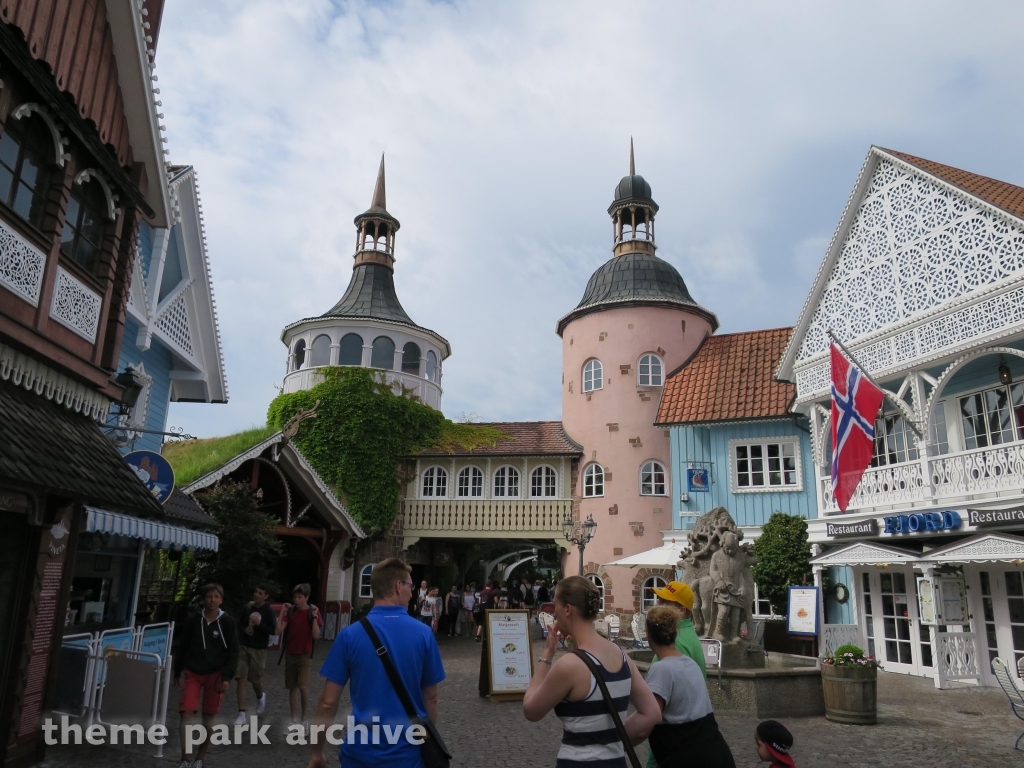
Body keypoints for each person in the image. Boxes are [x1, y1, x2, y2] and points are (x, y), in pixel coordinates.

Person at [308, 558, 445, 768]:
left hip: (359, 754)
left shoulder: (349, 635)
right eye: (410, 586)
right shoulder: (424, 634)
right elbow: (431, 698)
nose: (411, 591)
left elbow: (327, 702)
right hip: (407, 756)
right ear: (398, 587)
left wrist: (317, 753)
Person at [523, 575, 660, 766]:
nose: (554, 614)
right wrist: (612, 739)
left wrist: (546, 656)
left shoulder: (570, 665)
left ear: (568, 609)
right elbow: (652, 713)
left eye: (556, 607)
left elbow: (531, 710)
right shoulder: (622, 656)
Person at [643, 607, 735, 768]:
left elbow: (648, 717)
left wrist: (616, 738)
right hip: (716, 753)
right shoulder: (688, 663)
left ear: (648, 634)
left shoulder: (662, 669)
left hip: (688, 758)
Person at [173, 584, 238, 768]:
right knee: (186, 711)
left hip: (215, 674)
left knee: (208, 716)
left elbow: (233, 651)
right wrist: (177, 671)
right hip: (193, 672)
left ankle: (200, 757)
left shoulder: (227, 622)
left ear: (221, 599)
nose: (212, 600)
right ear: (204, 599)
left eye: (216, 596)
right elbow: (184, 645)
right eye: (209, 596)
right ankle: (185, 758)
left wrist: (227, 676)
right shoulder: (194, 620)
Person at [276, 583, 322, 728]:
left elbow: (316, 635)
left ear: (306, 597)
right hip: (290, 653)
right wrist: (282, 613)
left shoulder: (312, 611)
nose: (296, 600)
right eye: (295, 597)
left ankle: (304, 718)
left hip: (304, 654)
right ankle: (293, 718)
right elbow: (278, 631)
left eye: (300, 597)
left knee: (303, 686)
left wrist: (314, 618)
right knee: (292, 688)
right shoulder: (291, 612)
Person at [234, 583, 277, 724]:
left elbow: (273, 630)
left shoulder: (268, 611)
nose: (256, 594)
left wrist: (260, 625)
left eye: (260, 593)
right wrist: (245, 630)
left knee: (255, 679)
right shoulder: (248, 607)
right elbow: (239, 623)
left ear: (266, 596)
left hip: (259, 649)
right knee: (241, 678)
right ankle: (241, 713)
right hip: (244, 646)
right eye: (256, 591)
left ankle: (260, 696)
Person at [651, 581, 707, 678]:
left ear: (681, 611)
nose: (656, 605)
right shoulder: (684, 632)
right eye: (658, 600)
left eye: (663, 602)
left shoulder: (676, 641)